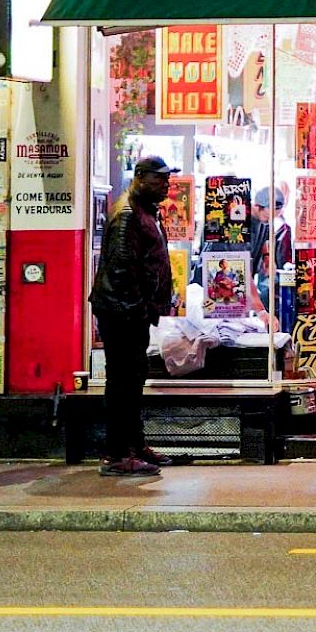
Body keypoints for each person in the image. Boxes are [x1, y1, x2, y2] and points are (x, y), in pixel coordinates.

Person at [89, 156, 177, 477]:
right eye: (159, 179)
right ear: (139, 177)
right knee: (122, 383)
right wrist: (141, 308)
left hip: (131, 312)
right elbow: (123, 268)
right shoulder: (127, 214)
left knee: (133, 380)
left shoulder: (142, 211)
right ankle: (116, 453)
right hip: (123, 313)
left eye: (167, 179)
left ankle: (134, 445)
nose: (165, 184)